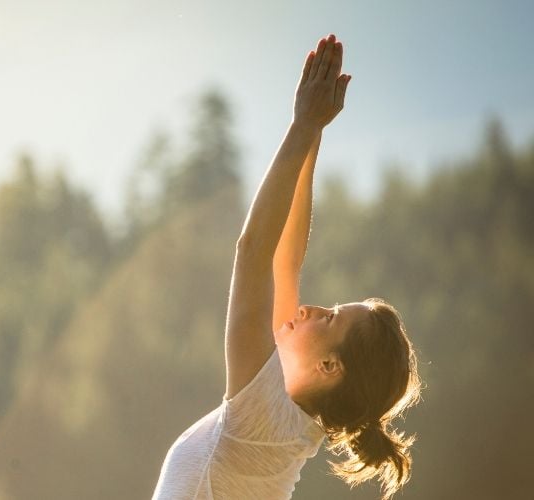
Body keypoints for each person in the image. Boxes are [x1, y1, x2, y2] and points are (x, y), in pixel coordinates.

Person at [150, 34, 423, 500]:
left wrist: (302, 127)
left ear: (330, 365)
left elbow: (254, 250)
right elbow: (284, 260)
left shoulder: (267, 419)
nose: (315, 308)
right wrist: (314, 131)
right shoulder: (284, 418)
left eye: (332, 318)